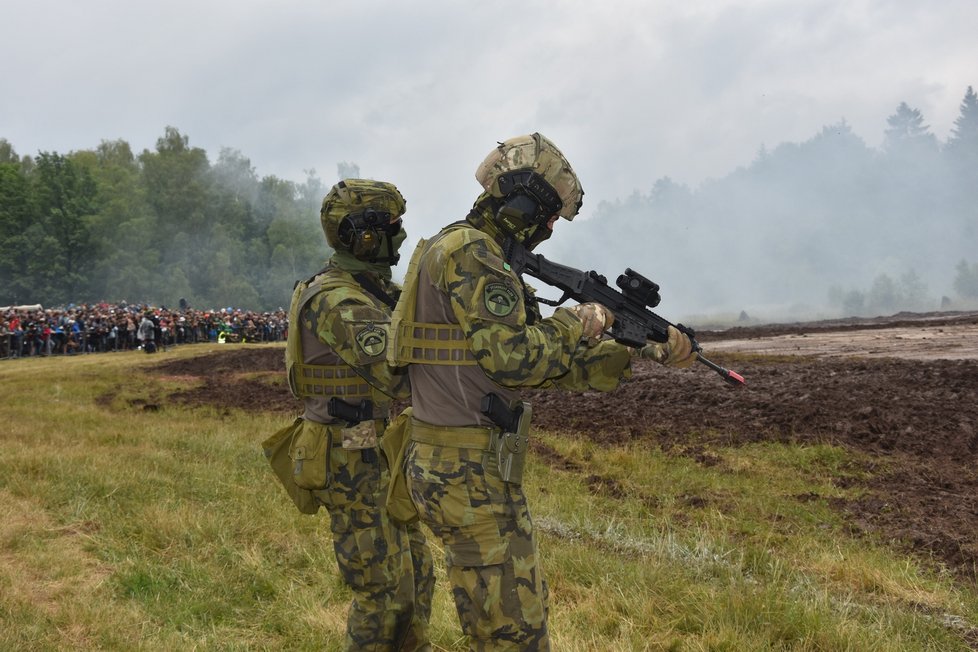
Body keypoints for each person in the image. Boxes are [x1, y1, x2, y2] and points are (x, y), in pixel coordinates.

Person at [387, 133, 696, 650]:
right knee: (513, 632)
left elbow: (548, 366)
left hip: (463, 462)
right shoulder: (471, 255)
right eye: (549, 213)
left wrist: (636, 348)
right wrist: (581, 319)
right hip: (466, 469)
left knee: (503, 619)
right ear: (521, 199)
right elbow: (515, 359)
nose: (550, 228)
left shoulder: (475, 254)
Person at [280, 179, 435, 651]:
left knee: (418, 574)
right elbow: (393, 370)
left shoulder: (372, 290)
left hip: (374, 449)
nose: (402, 236)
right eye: (393, 227)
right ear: (362, 235)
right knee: (384, 589)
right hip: (344, 452)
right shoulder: (336, 299)